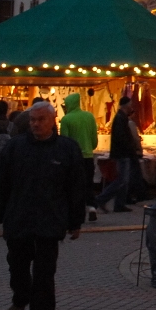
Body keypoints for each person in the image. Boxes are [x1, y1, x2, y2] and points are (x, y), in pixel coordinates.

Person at [0, 100, 85, 310]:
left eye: (41, 120)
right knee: (17, 266)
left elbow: (76, 188)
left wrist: (75, 221)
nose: (36, 124)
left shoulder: (67, 149)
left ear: (53, 121)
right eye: (32, 120)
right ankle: (20, 299)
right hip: (19, 218)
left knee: (44, 272)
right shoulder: (16, 147)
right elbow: (1, 185)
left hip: (50, 220)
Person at [58, 93, 98, 221]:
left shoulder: (66, 119)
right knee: (88, 183)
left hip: (74, 157)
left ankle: (77, 212)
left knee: (74, 185)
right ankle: (92, 207)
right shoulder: (89, 117)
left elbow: (65, 140)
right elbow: (94, 140)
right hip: (88, 156)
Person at [94, 98, 135, 213]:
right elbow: (121, 138)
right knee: (121, 180)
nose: (131, 107)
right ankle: (100, 199)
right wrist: (130, 148)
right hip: (122, 154)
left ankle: (119, 204)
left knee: (123, 180)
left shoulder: (121, 118)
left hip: (122, 153)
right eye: (130, 105)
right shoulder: (120, 119)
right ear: (126, 106)